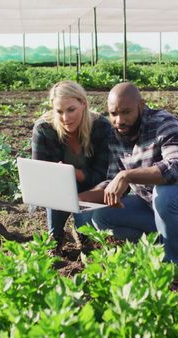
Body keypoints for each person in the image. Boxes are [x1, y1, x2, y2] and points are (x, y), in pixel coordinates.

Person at [80, 82, 178, 267]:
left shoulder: (164, 123)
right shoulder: (116, 134)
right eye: (113, 114)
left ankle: (174, 265)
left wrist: (128, 175)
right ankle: (176, 245)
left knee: (165, 193)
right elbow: (114, 183)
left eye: (126, 112)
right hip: (159, 211)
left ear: (141, 106)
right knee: (103, 216)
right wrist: (77, 199)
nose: (119, 120)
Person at [31, 80, 112, 252]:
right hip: (59, 193)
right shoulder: (45, 128)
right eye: (59, 111)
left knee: (88, 235)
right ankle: (56, 236)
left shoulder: (101, 127)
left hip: (92, 188)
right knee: (59, 182)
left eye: (71, 110)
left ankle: (84, 235)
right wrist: (57, 174)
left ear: (83, 104)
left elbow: (105, 175)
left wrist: (73, 173)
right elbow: (38, 174)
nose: (65, 118)